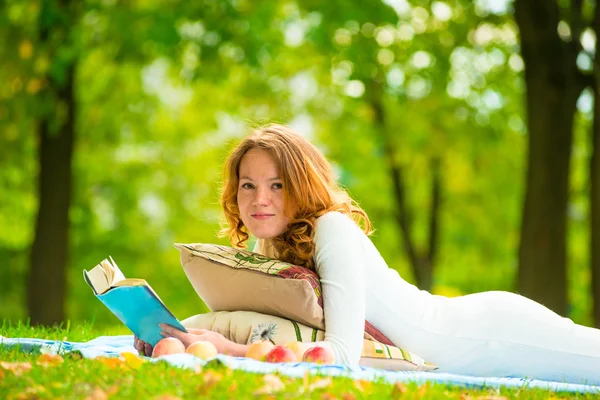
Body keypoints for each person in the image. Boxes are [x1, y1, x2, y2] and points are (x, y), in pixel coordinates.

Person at [135, 124, 600, 385]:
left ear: (301, 187)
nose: (260, 200)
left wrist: (227, 349)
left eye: (277, 185)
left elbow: (340, 356)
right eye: (248, 186)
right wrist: (181, 331)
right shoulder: (268, 244)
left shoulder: (331, 230)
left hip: (488, 335)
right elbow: (278, 328)